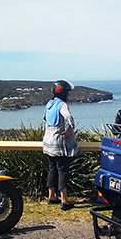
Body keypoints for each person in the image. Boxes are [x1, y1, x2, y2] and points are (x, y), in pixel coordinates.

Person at [42, 80, 78, 211]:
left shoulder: (49, 104)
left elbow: (45, 119)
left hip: (48, 142)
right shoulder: (62, 105)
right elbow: (69, 119)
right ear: (64, 93)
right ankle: (64, 200)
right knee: (62, 170)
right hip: (59, 144)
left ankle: (51, 196)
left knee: (52, 169)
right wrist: (68, 131)